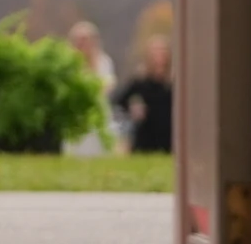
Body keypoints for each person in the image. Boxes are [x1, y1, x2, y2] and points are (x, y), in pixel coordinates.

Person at [112, 35, 175, 155]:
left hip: (169, 139)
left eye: (162, 52)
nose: (159, 57)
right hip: (146, 139)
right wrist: (132, 109)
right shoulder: (140, 82)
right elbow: (118, 100)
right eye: (155, 53)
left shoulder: (172, 84)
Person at [63, 22, 117, 157]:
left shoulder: (104, 61)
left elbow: (108, 84)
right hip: (76, 115)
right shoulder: (67, 63)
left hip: (98, 115)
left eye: (86, 40)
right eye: (79, 40)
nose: (83, 44)